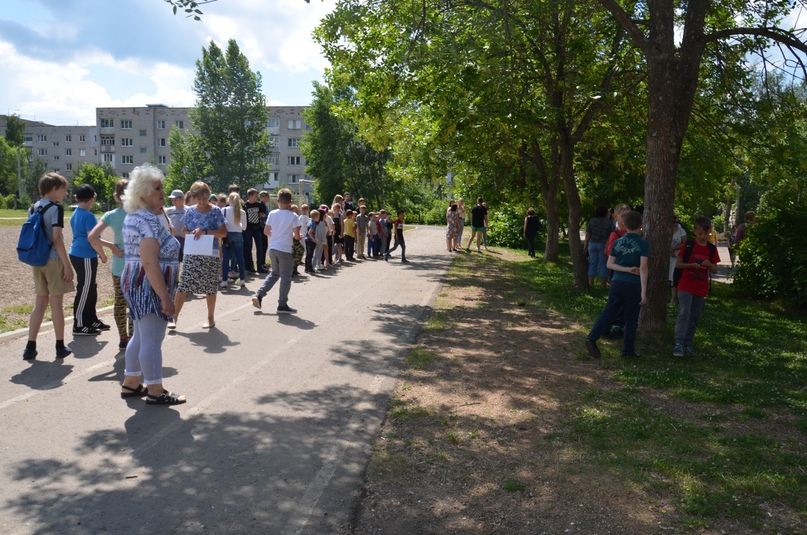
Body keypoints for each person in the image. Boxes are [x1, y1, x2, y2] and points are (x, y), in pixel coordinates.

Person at [119, 164, 185, 405]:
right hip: (148, 284)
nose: (162, 192)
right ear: (143, 192)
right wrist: (165, 298)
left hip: (136, 280)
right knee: (152, 338)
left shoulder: (136, 215)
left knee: (140, 334)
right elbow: (149, 261)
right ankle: (156, 390)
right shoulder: (146, 219)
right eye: (157, 188)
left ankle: (131, 382)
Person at [22, 173, 75, 360]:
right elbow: (56, 239)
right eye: (63, 189)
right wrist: (67, 265)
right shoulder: (56, 209)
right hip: (53, 260)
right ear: (54, 189)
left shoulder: (32, 208)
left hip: (37, 260)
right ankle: (60, 346)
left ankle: (30, 347)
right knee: (56, 304)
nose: (65, 193)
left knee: (40, 302)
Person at [585, 210, 648, 359]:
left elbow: (609, 264)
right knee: (631, 317)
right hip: (633, 284)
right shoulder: (643, 244)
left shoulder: (618, 242)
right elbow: (643, 268)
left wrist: (625, 269)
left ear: (624, 224)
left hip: (617, 282)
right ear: (641, 225)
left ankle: (592, 337)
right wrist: (643, 292)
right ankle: (628, 351)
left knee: (609, 311)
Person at [171, 181, 227, 330]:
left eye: (205, 198)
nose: (202, 202)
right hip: (192, 251)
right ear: (194, 197)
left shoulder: (216, 211)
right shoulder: (190, 211)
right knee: (183, 285)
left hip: (211, 253)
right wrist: (192, 231)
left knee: (210, 287)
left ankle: (210, 318)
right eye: (199, 199)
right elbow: (183, 231)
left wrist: (206, 232)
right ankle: (174, 318)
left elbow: (223, 232)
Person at [88, 179, 133, 351]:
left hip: (119, 265)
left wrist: (111, 246)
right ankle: (133, 336)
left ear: (116, 195)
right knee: (134, 303)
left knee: (120, 302)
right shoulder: (139, 213)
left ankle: (123, 338)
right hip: (137, 265)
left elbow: (92, 237)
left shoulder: (111, 215)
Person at [673, 216, 720, 357]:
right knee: (684, 312)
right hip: (685, 284)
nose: (703, 236)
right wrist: (691, 265)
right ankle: (678, 343)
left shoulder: (711, 249)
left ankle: (687, 342)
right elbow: (679, 264)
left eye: (706, 234)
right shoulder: (689, 245)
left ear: (709, 232)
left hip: (701, 287)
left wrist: (709, 265)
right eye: (700, 233)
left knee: (695, 316)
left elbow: (715, 270)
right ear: (695, 232)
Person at [252, 189, 302, 314]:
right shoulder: (293, 216)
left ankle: (259, 294)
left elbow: (266, 231)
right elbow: (296, 236)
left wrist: (277, 234)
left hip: (273, 247)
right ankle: (282, 304)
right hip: (285, 249)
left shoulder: (272, 213)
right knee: (285, 277)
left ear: (278, 201)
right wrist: (297, 235)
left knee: (274, 274)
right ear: (290, 202)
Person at [70, 184, 109, 336]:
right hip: (84, 255)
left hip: (80, 254)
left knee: (91, 287)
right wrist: (103, 254)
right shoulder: (88, 216)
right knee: (85, 289)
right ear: (93, 198)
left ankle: (91, 319)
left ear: (76, 198)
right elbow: (93, 240)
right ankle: (79, 324)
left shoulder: (76, 213)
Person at [221, 192, 247, 288]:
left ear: (229, 200)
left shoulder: (224, 210)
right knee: (240, 258)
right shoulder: (242, 212)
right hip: (238, 235)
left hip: (227, 235)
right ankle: (242, 279)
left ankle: (224, 280)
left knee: (226, 258)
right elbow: (244, 228)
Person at [584, 205, 612, 286]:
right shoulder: (609, 222)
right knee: (603, 264)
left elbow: (588, 234)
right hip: (604, 244)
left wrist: (585, 245)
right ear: (605, 212)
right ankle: (603, 284)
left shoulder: (592, 221)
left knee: (592, 263)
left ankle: (591, 282)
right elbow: (612, 234)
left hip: (592, 244)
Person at [243, 188, 267, 273]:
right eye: (256, 196)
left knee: (259, 247)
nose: (257, 197)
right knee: (248, 247)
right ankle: (250, 266)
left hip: (257, 228)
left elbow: (262, 213)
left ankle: (260, 266)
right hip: (248, 229)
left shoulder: (259, 204)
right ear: (250, 196)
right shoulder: (245, 205)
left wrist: (261, 214)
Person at [668, 215, 688, 305]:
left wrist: (674, 248)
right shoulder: (666, 231)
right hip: (668, 256)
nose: (675, 224)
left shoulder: (681, 231)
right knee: (668, 276)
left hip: (677, 256)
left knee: (673, 276)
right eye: (674, 222)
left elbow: (684, 244)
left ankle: (674, 298)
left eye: (677, 222)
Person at [165, 189, 187, 263]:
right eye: (172, 200)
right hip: (174, 238)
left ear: (182, 199)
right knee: (175, 261)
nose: (174, 201)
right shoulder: (169, 211)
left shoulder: (188, 210)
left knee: (185, 260)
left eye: (176, 199)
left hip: (186, 239)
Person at [305, 209, 321, 274]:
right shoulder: (313, 224)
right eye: (318, 217)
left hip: (307, 240)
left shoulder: (309, 222)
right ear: (316, 217)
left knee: (308, 254)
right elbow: (310, 232)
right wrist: (314, 240)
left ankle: (306, 268)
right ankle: (310, 268)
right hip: (311, 240)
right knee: (310, 255)